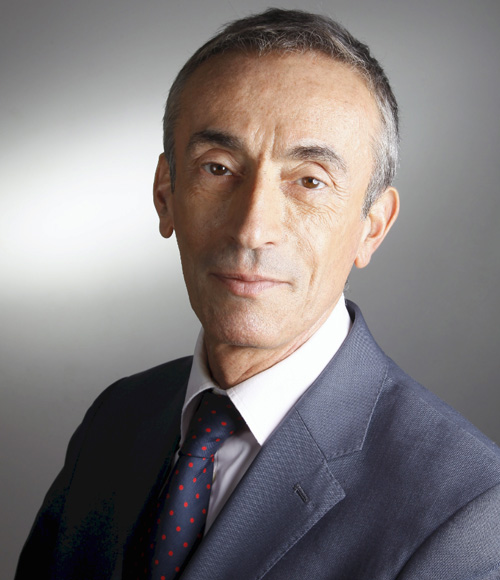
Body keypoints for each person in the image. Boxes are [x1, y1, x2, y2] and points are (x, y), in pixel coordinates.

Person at [15, 8, 500, 580]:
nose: (251, 229)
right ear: (165, 193)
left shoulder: (468, 514)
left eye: (310, 180)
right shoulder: (116, 420)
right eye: (218, 169)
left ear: (372, 227)